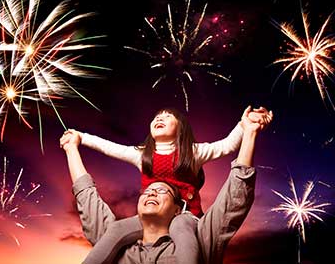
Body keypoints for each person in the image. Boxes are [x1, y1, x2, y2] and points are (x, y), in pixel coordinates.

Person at [60, 106, 272, 264]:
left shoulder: (193, 152)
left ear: (181, 128)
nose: (159, 118)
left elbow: (227, 146)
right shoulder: (143, 154)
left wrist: (244, 127)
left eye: (167, 116)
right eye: (156, 117)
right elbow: (110, 147)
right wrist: (81, 138)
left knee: (182, 229)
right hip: (148, 220)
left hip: (186, 216)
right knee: (115, 229)